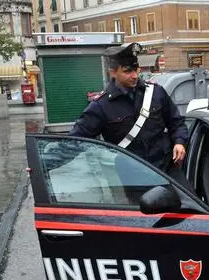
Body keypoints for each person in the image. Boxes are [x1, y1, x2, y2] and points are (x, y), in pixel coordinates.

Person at [69, 42, 190, 188]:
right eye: (127, 71)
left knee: (191, 208)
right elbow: (74, 141)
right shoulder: (101, 106)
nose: (134, 76)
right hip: (134, 179)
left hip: (166, 170)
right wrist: (45, 162)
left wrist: (179, 142)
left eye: (136, 70)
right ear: (113, 72)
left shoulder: (155, 93)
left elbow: (176, 122)